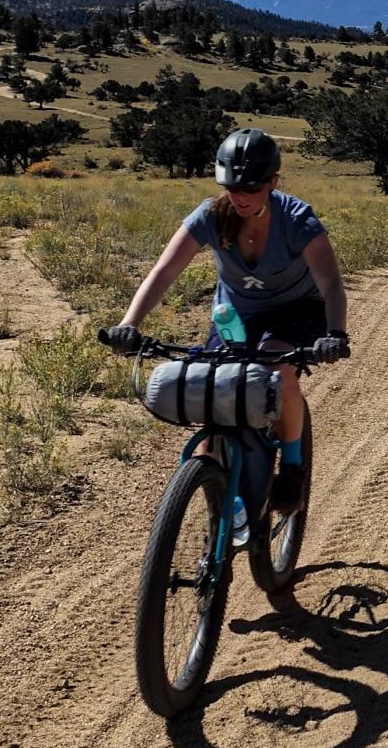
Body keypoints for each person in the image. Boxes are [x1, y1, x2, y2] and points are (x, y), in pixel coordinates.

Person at [104, 127, 348, 509]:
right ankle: (212, 498)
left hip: (298, 311)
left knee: (277, 371)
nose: (240, 198)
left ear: (273, 182)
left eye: (251, 188)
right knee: (213, 389)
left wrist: (335, 333)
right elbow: (164, 272)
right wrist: (129, 324)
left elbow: (331, 284)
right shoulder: (211, 215)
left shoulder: (297, 220)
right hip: (236, 314)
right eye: (232, 187)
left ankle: (293, 468)